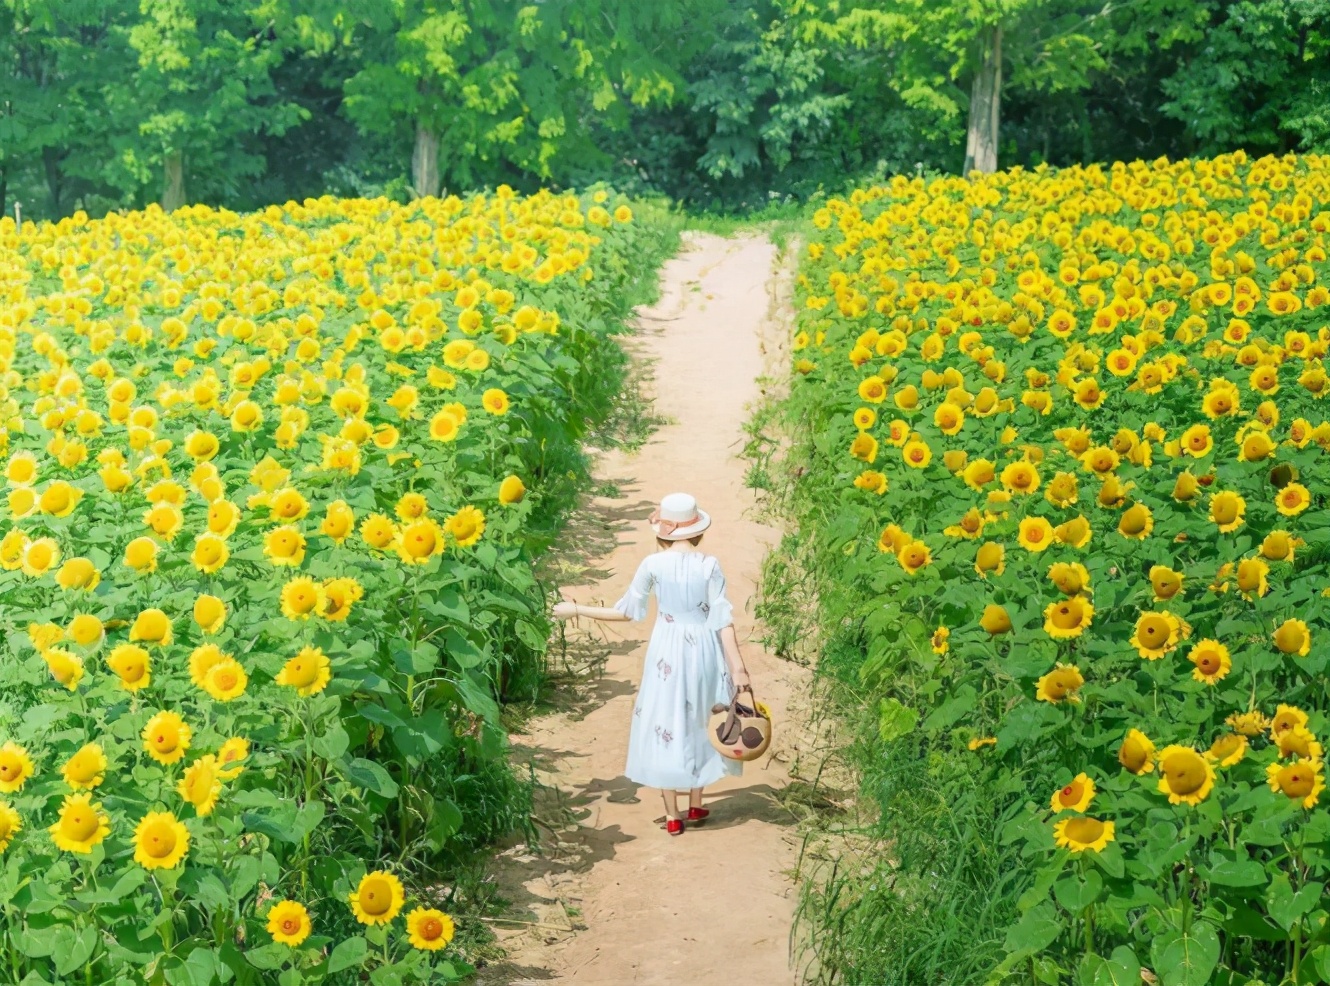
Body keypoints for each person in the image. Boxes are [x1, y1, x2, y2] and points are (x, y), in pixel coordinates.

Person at [552, 492, 753, 835]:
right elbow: (723, 620)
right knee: (703, 716)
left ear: (663, 531)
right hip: (704, 648)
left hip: (667, 651)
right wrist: (739, 669)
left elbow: (625, 612)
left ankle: (672, 814)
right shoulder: (710, 565)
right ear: (697, 531)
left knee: (667, 717)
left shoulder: (652, 565)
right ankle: (696, 803)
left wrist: (577, 609)